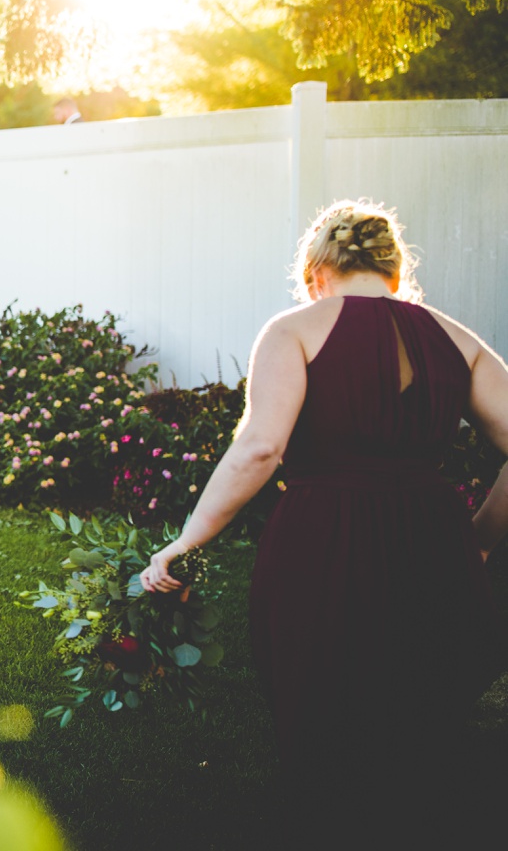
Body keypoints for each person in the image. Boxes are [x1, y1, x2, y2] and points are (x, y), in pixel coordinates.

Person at [139, 200, 508, 846]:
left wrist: (187, 540)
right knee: (419, 720)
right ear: (395, 273)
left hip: (326, 540)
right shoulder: (461, 340)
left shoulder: (294, 329)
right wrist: (477, 537)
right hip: (434, 541)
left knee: (327, 715)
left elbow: (259, 448)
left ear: (316, 271)